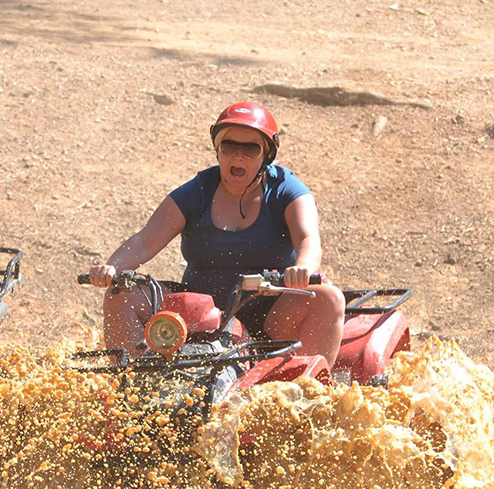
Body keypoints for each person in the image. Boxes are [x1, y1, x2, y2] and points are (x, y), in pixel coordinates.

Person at [87, 102, 345, 365]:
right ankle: (132, 385)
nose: (238, 156)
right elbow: (145, 240)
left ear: (266, 154)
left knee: (329, 298)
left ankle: (308, 392)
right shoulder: (195, 192)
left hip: (271, 313)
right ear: (217, 149)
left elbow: (308, 239)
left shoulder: (287, 190)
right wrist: (112, 268)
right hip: (198, 313)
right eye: (229, 146)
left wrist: (302, 268)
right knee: (122, 293)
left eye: (250, 148)